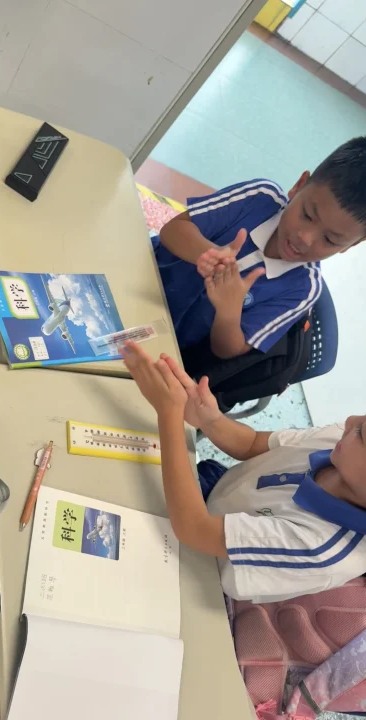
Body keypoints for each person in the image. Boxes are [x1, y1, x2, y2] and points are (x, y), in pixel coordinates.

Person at [121, 341, 366, 603]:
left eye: (362, 434)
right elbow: (251, 445)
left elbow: (194, 529)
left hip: (198, 571)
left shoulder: (322, 548)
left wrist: (168, 412)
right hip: (210, 497)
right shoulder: (338, 441)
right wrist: (209, 419)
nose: (350, 421)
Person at [152, 139, 366, 360]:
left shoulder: (303, 289)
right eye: (307, 215)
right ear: (299, 185)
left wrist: (229, 310)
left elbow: (228, 350)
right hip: (144, 273)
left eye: (330, 239)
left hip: (167, 343)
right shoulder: (259, 197)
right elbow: (172, 230)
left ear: (352, 244)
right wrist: (207, 254)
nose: (305, 238)